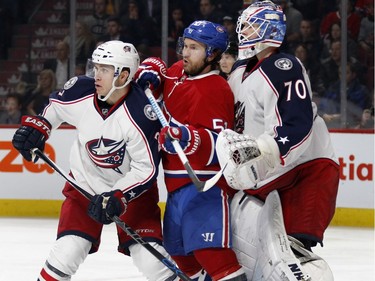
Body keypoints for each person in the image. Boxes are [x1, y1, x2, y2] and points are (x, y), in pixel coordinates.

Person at [12, 40, 177, 281]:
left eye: (105, 69)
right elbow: (55, 107)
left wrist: (118, 195)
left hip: (132, 196)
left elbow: (146, 169)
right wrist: (40, 127)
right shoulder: (81, 89)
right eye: (95, 67)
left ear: (123, 75)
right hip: (84, 186)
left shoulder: (142, 113)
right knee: (67, 253)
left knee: (151, 262)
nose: (96, 75)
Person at [216, 1, 339, 280]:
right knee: (248, 248)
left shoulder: (284, 68)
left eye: (248, 26)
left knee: (292, 253)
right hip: (268, 173)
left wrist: (264, 149)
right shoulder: (239, 71)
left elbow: (297, 125)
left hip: (306, 169)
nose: (242, 31)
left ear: (266, 30)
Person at [135, 20, 247, 280]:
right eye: (184, 45)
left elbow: (222, 145)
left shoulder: (217, 90)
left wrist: (188, 136)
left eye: (194, 48)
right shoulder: (178, 72)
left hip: (205, 189)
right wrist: (150, 70)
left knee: (214, 257)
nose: (185, 53)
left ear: (212, 54)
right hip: (175, 190)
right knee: (181, 258)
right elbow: (159, 70)